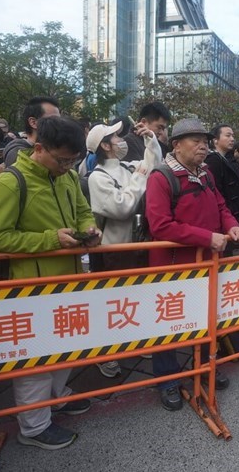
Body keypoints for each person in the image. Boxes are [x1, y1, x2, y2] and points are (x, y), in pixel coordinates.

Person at [0, 117, 100, 450]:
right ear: (38, 148)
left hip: (68, 281)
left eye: (72, 160)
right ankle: (33, 426)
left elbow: (82, 211)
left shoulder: (69, 177)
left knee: (64, 348)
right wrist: (50, 240)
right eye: (61, 159)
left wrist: (89, 230)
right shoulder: (8, 184)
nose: (67, 166)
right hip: (29, 289)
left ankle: (57, 398)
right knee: (35, 360)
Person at [145, 118, 239, 411]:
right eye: (195, 141)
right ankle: (167, 380)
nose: (203, 146)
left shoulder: (205, 174)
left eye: (205, 140)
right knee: (169, 323)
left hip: (207, 264)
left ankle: (203, 367)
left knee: (205, 317)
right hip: (173, 268)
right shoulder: (160, 178)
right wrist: (207, 238)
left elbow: (220, 207)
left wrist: (233, 226)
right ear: (176, 145)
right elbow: (161, 225)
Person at [85, 117, 161, 378]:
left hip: (135, 245)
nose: (121, 141)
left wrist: (150, 138)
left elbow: (154, 165)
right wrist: (138, 180)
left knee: (134, 299)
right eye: (116, 137)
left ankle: (133, 342)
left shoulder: (128, 166)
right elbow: (122, 208)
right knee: (111, 303)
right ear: (105, 146)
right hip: (112, 252)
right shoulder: (98, 177)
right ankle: (105, 354)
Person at [206, 124, 239, 238]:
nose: (232, 139)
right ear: (215, 140)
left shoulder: (229, 159)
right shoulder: (213, 161)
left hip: (235, 216)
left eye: (232, 136)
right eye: (228, 135)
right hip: (225, 216)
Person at [2, 96, 61, 166]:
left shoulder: (52, 148)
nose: (59, 124)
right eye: (53, 120)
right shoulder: (18, 154)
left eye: (59, 120)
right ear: (33, 122)